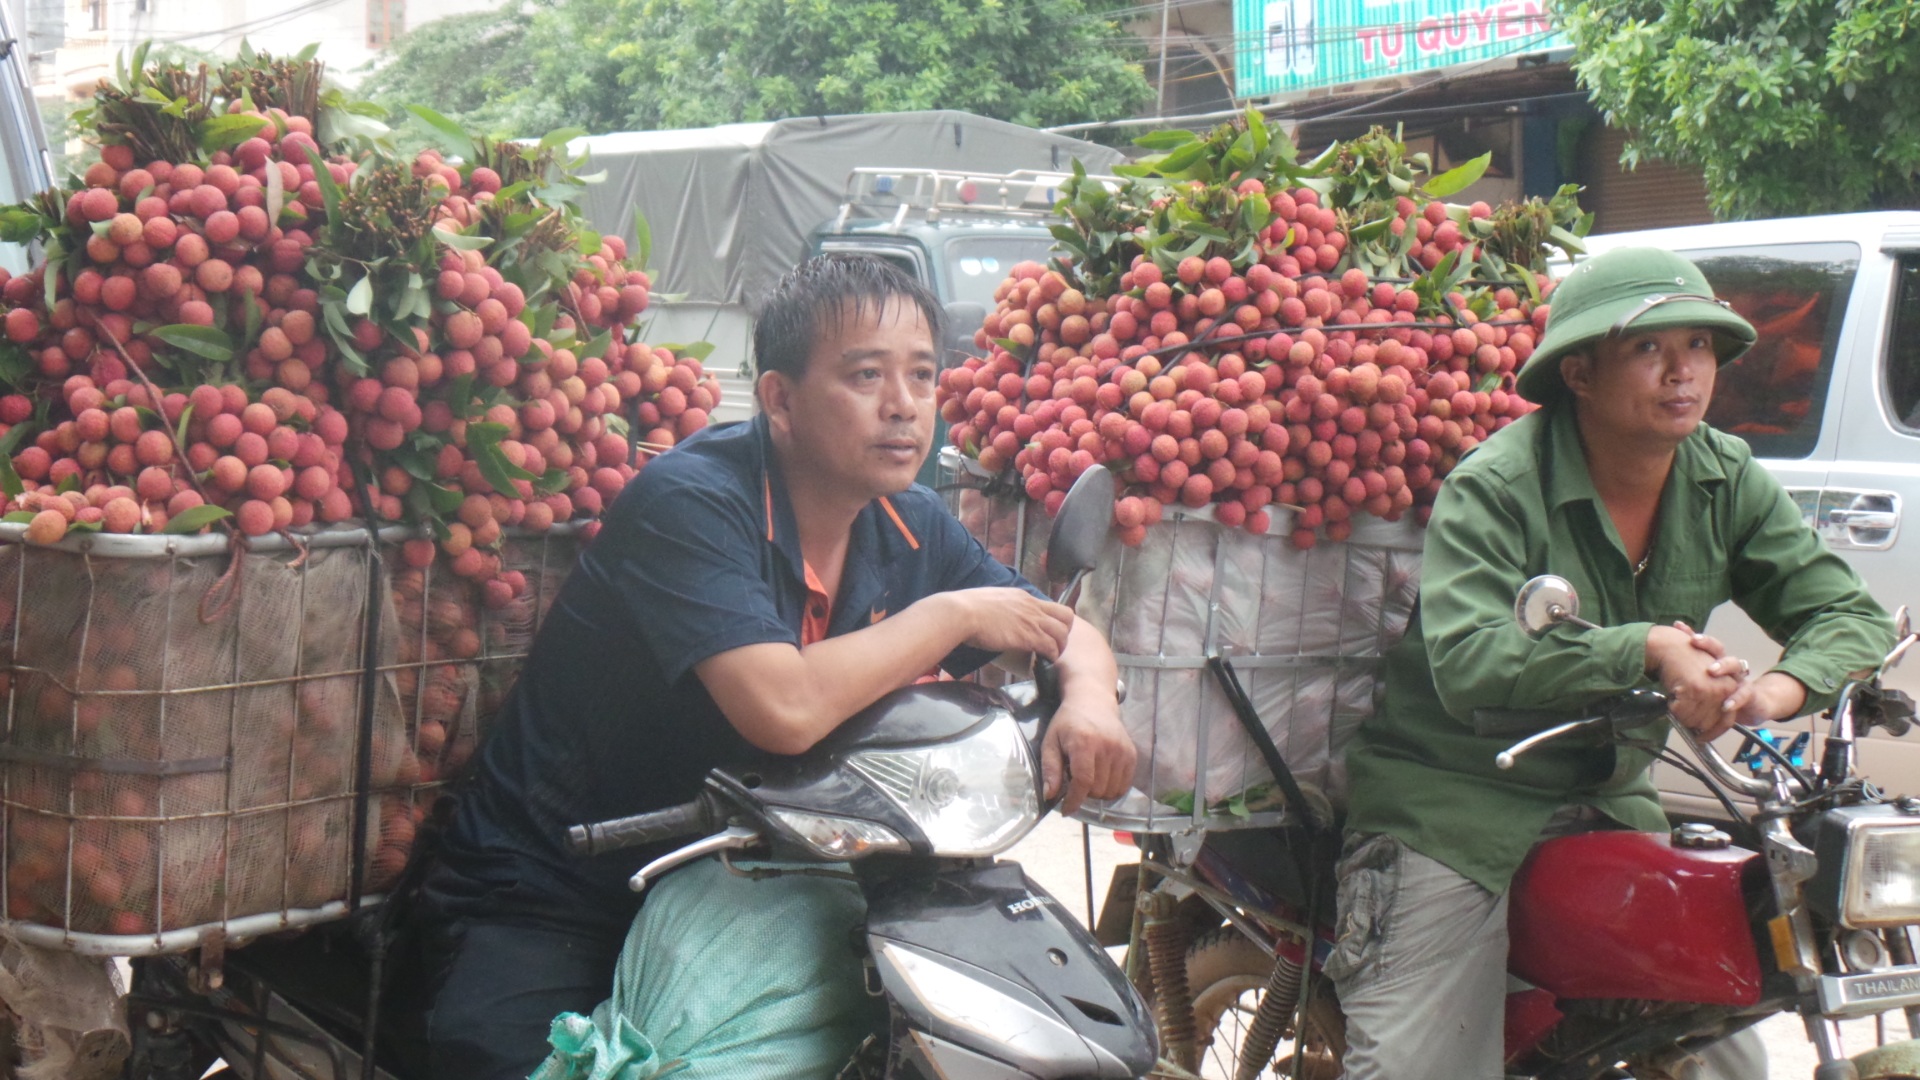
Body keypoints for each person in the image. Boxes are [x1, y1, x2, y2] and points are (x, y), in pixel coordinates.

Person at [409, 253, 1137, 1079]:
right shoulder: (691, 503)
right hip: (559, 891)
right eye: (866, 376)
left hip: (752, 888)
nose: (903, 407)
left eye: (922, 377)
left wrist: (1089, 704)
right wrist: (953, 614)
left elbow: (1058, 629)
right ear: (780, 400)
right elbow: (782, 709)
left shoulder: (910, 521)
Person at [1331, 246, 1896, 1079]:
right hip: (1453, 804)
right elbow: (1468, 658)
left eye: (1699, 347)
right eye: (1648, 349)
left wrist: (1769, 694)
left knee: (1723, 1043)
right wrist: (1647, 645)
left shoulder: (1721, 473)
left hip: (1610, 797)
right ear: (1581, 374)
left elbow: (1845, 612)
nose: (1683, 373)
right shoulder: (1496, 485)